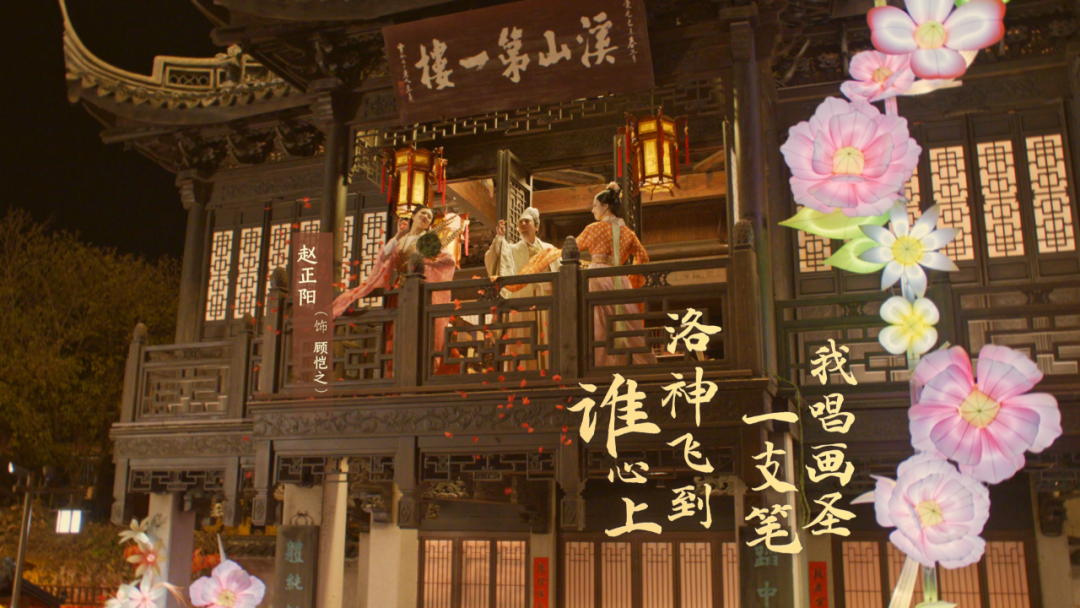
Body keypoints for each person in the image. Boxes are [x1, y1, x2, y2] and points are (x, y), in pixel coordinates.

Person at [510, 183, 656, 367]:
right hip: (620, 280)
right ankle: (635, 364)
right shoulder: (628, 233)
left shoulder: (594, 229)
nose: (592, 210)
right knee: (626, 325)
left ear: (605, 206)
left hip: (596, 278)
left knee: (598, 324)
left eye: (595, 206)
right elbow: (643, 257)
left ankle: (600, 366)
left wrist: (546, 256)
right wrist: (631, 280)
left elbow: (570, 249)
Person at [332, 205, 467, 370]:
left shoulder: (429, 240)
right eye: (423, 213)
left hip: (418, 289)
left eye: (429, 217)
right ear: (414, 216)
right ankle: (397, 369)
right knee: (396, 332)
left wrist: (426, 265)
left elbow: (448, 260)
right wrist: (398, 235)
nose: (425, 217)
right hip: (399, 290)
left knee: (419, 330)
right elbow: (384, 256)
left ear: (429, 224)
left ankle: (421, 367)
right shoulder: (401, 240)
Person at [484, 206, 560, 369]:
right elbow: (496, 256)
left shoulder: (549, 249)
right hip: (522, 302)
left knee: (547, 339)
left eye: (527, 221)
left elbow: (560, 274)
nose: (523, 224)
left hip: (546, 302)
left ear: (537, 226)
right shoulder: (512, 250)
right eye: (521, 222)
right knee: (522, 340)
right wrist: (499, 238)